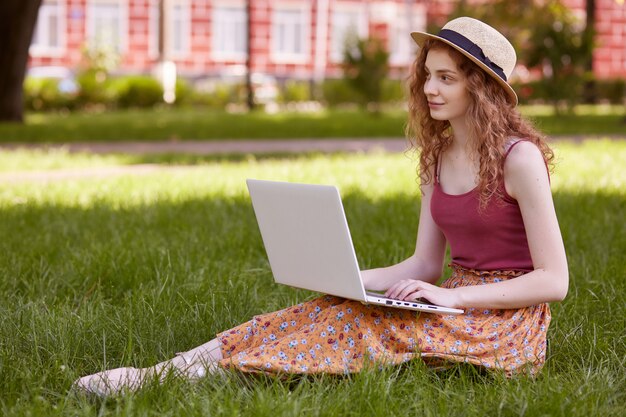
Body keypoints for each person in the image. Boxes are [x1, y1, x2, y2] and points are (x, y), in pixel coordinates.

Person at [73, 17, 568, 396]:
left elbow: (554, 281)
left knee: (363, 329)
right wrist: (347, 277)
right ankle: (163, 371)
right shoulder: (438, 156)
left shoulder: (518, 160)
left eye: (446, 79)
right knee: (326, 308)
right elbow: (423, 264)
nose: (429, 89)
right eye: (427, 76)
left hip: (504, 325)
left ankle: (206, 375)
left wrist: (454, 299)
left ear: (479, 88)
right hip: (455, 304)